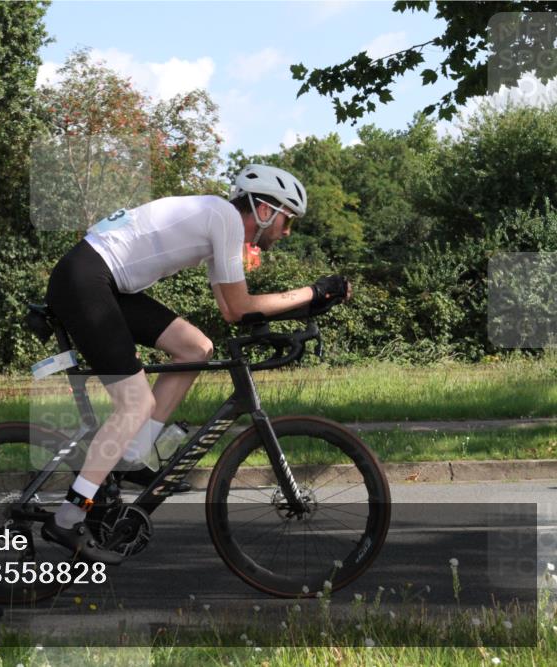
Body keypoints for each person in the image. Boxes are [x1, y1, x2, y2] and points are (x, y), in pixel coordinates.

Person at [41, 164, 351, 564]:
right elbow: (240, 307)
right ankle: (68, 518)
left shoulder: (218, 223)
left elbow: (232, 311)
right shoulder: (224, 218)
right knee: (135, 404)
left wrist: (310, 304)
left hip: (101, 280)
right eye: (287, 221)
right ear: (265, 210)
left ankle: (133, 455)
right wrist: (313, 291)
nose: (287, 232)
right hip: (86, 279)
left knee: (195, 348)